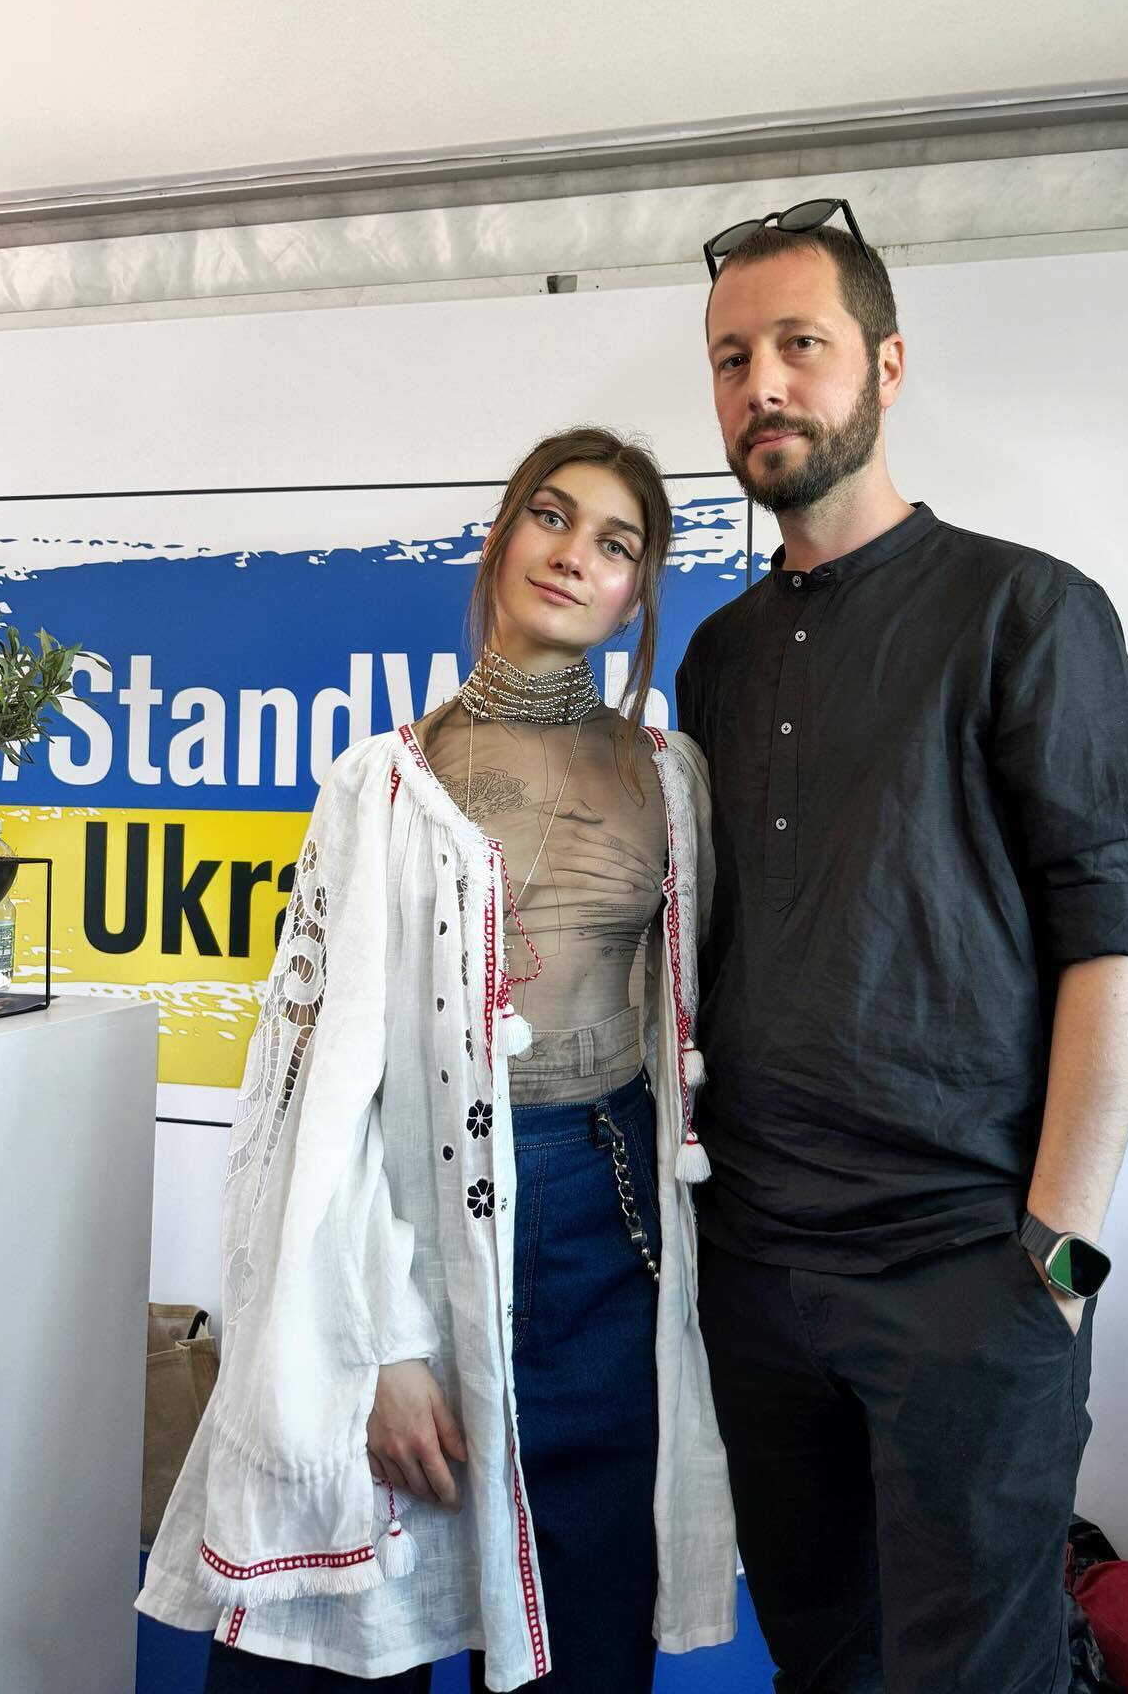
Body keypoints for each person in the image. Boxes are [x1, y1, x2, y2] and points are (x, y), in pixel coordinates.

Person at [139, 426, 736, 1692]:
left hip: (608, 1234)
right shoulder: (384, 787)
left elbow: (691, 1026)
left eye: (617, 544)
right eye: (553, 517)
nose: (576, 557)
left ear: (641, 594)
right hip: (409, 1229)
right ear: (502, 534)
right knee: (362, 1613)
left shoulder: (671, 779)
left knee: (582, 1629)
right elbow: (317, 1099)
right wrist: (382, 1351)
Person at [676, 201, 1128, 1694]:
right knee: (826, 1659)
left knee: (985, 1676)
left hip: (969, 1275)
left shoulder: (1028, 611)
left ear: (887, 366)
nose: (762, 385)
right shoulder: (716, 652)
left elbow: (1116, 945)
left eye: (800, 346)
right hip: (758, 1271)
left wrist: (1061, 1261)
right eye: (729, 359)